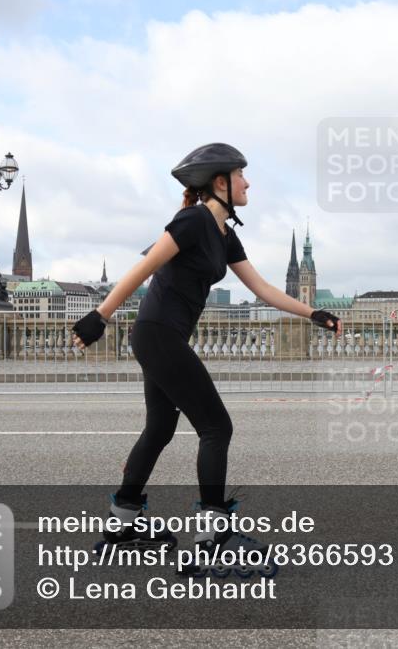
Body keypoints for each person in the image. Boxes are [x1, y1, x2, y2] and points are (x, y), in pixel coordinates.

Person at [71, 143, 341, 572]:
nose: (248, 182)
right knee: (216, 427)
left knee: (160, 428)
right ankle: (212, 538)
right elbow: (144, 268)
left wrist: (313, 313)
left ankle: (122, 524)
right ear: (220, 182)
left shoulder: (224, 234)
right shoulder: (193, 220)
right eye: (241, 175)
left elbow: (262, 288)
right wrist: (100, 315)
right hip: (159, 334)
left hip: (163, 337)